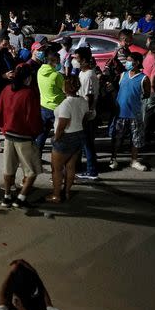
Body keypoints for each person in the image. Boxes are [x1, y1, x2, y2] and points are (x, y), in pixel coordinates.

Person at [0, 64, 43, 208]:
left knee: (8, 169)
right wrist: (35, 132)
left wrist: (3, 129)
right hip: (24, 136)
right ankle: (21, 198)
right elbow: (33, 117)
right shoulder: (29, 93)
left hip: (8, 135)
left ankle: (7, 197)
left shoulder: (6, 89)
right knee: (32, 170)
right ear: (28, 78)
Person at [46, 76, 88, 203]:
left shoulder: (66, 104)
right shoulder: (83, 100)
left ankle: (56, 195)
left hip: (66, 137)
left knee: (57, 169)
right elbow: (85, 118)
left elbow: (62, 125)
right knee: (70, 166)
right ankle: (67, 192)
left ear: (66, 88)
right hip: (79, 134)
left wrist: (55, 138)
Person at [109, 52, 149, 171]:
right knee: (117, 137)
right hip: (120, 113)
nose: (127, 63)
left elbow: (146, 94)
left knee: (135, 138)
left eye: (130, 60)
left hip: (135, 114)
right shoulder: (122, 75)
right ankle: (113, 158)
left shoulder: (144, 79)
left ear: (136, 63)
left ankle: (134, 160)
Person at [74, 47, 100, 180]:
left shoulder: (90, 75)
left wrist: (85, 115)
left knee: (87, 143)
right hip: (81, 112)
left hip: (87, 115)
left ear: (84, 60)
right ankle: (84, 167)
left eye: (77, 58)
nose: (75, 61)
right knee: (84, 143)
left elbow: (89, 97)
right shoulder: (82, 73)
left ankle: (92, 171)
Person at [35, 52, 65, 152]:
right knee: (60, 135)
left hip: (43, 106)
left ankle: (36, 157)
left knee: (42, 134)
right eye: (59, 61)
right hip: (56, 108)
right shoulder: (56, 76)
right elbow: (65, 90)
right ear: (54, 61)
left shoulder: (40, 71)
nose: (60, 63)